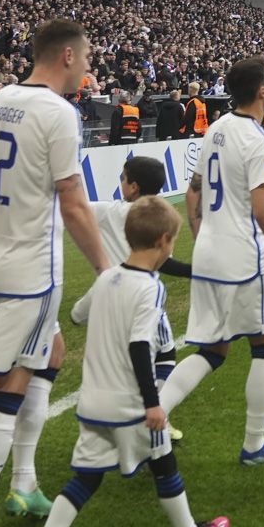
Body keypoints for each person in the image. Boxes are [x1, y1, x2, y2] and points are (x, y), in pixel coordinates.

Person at [0, 19, 111, 527]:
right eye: (86, 58)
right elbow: (73, 201)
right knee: (7, 387)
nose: (88, 67)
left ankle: (24, 483)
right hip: (30, 272)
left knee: (52, 353)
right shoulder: (58, 114)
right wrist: (109, 271)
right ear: (66, 55)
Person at [17, 197, 231, 527]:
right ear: (165, 241)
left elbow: (79, 315)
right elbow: (138, 346)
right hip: (129, 404)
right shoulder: (149, 288)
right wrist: (152, 403)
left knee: (84, 480)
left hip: (92, 403)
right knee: (164, 464)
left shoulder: (107, 277)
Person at [163, 58, 264, 466]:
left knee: (213, 349)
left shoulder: (216, 127)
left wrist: (202, 230)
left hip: (210, 251)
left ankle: (148, 418)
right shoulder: (255, 137)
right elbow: (261, 208)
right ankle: (254, 444)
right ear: (261, 91)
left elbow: (193, 190)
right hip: (244, 255)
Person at [72, 156, 192, 438]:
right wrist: (197, 272)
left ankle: (138, 418)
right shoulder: (158, 217)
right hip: (144, 298)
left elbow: (74, 210)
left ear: (134, 187)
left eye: (123, 178)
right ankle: (154, 416)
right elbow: (165, 263)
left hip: (108, 299)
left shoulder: (109, 210)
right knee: (163, 355)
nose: (121, 183)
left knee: (127, 364)